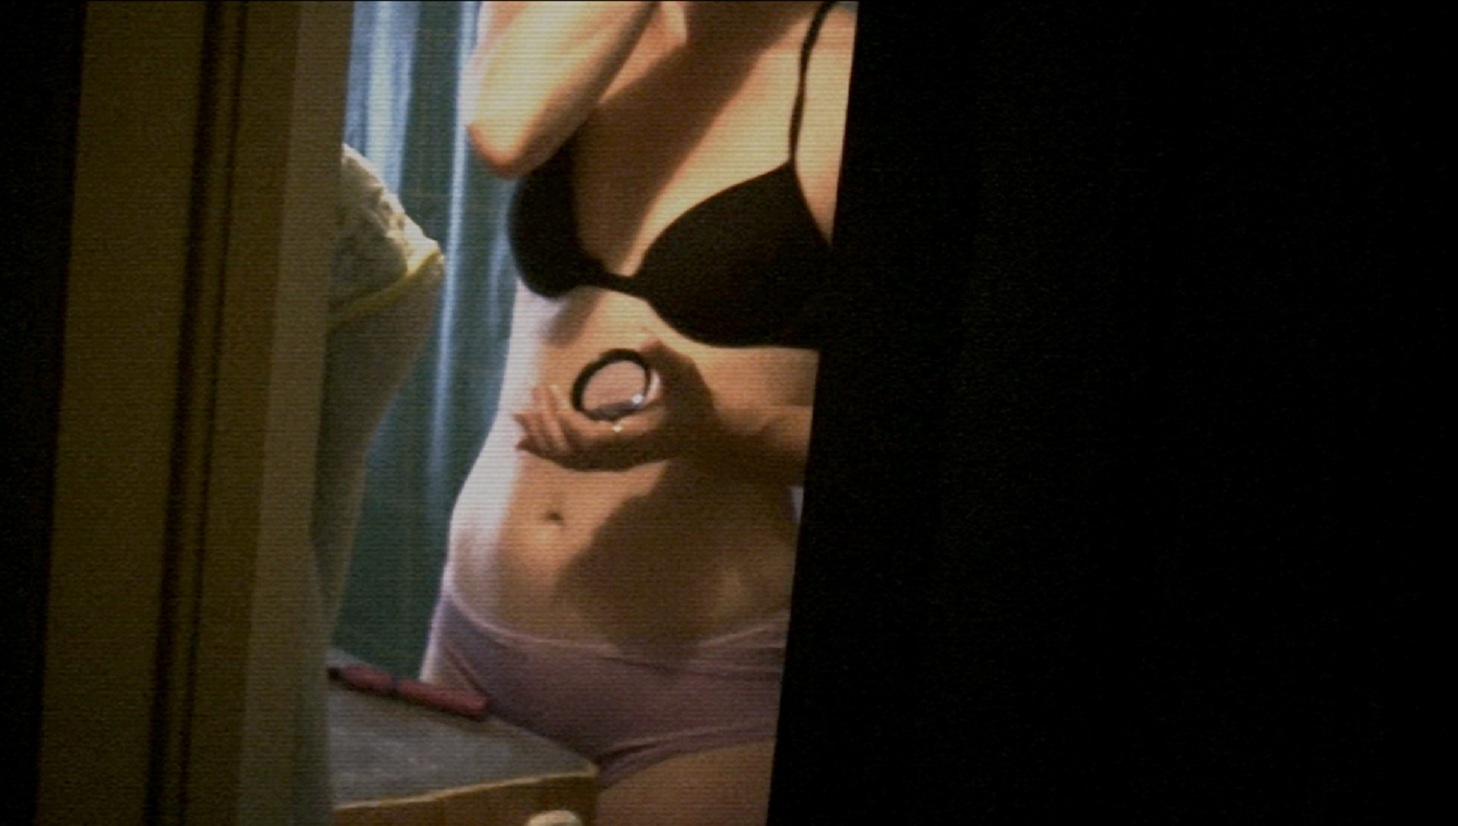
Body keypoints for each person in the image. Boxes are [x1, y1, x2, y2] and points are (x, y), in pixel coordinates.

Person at [420, 3, 855, 823]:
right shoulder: (570, 21)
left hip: (696, 693)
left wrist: (714, 429)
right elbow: (505, 130)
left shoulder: (847, 69)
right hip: (472, 637)